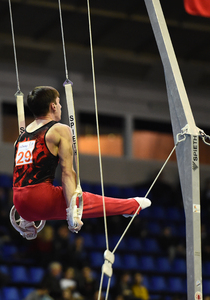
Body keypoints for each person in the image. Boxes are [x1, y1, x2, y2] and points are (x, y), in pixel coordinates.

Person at [12, 86, 150, 237]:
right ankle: (130, 207)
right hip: (40, 199)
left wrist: (26, 217)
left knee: (65, 195)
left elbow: (21, 175)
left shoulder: (21, 137)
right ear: (52, 106)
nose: (60, 106)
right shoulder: (59, 130)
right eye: (58, 103)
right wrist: (74, 212)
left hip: (20, 204)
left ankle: (25, 220)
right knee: (85, 200)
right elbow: (67, 172)